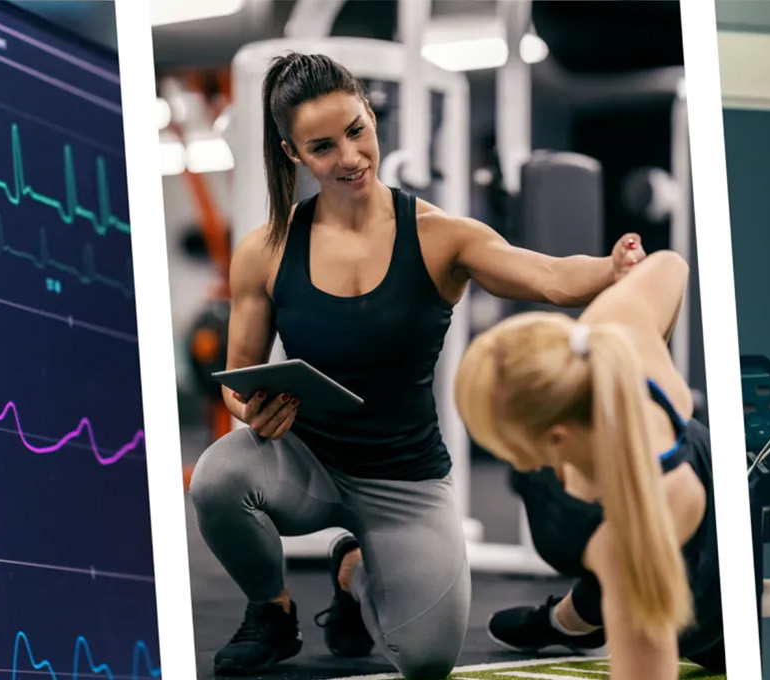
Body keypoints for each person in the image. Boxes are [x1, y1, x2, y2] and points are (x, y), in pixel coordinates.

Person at [186, 52, 648, 678]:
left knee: (427, 662)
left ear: (372, 116)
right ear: (295, 155)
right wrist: (254, 409)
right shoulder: (265, 249)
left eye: (356, 131)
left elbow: (548, 276)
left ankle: (352, 575)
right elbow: (239, 375)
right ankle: (272, 609)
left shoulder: (440, 236)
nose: (349, 157)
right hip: (304, 463)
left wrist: (611, 270)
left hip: (404, 480)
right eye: (322, 147)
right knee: (217, 478)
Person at [454, 249, 723, 679]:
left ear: (557, 440)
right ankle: (573, 621)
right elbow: (670, 265)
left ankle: (578, 617)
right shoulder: (592, 349)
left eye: (505, 445)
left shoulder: (631, 534)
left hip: (711, 615)